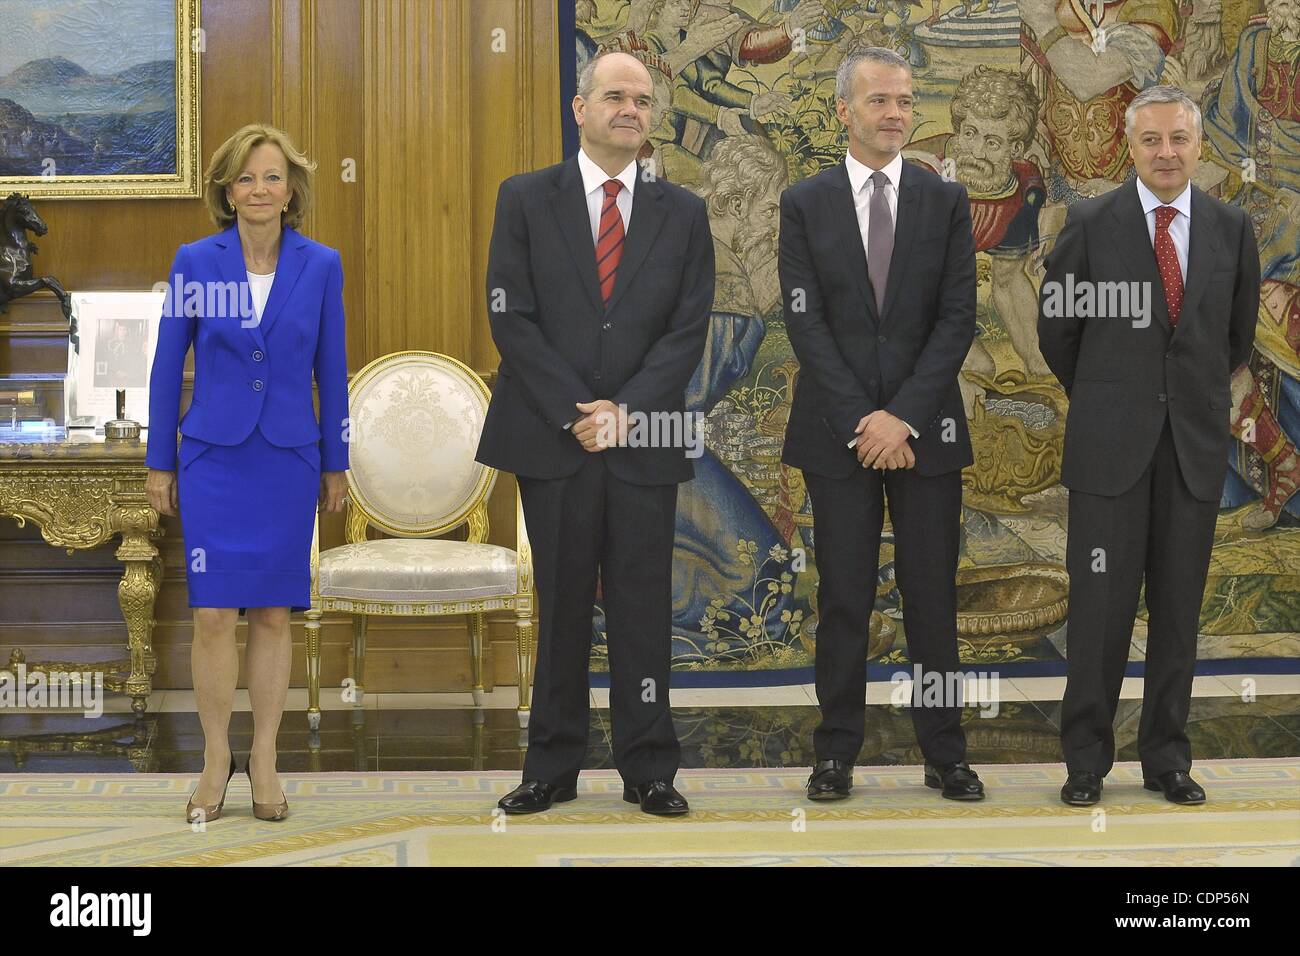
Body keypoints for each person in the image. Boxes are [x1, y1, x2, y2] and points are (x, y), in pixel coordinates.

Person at [476, 51, 714, 816]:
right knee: (563, 601)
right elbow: (510, 313)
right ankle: (551, 766)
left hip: (642, 436)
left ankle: (650, 769)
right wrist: (580, 410)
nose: (630, 109)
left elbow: (686, 331)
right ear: (578, 109)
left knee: (645, 604)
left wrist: (625, 412)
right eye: (615, 95)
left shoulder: (684, 213)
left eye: (643, 100)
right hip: (553, 436)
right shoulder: (524, 198)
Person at [1037, 86, 1260, 806]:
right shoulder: (1090, 222)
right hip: (1109, 450)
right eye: (1152, 140)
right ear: (1130, 148)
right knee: (1099, 612)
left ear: (1198, 145)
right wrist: (1109, 394)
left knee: (1177, 612)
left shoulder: (1231, 229)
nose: (1167, 153)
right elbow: (1058, 330)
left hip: (1192, 451)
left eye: (1179, 139)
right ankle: (1085, 763)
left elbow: (1235, 335)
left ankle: (1167, 759)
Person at [778, 47, 982, 802]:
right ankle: (836, 754)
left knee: (932, 597)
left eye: (904, 100)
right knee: (844, 598)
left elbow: (957, 318)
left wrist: (903, 417)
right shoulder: (804, 202)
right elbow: (806, 324)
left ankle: (946, 753)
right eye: (879, 101)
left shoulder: (944, 200)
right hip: (839, 433)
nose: (895, 112)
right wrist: (864, 418)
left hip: (925, 430)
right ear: (844, 110)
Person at [145, 124, 350, 823]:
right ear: (225, 192)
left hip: (289, 459)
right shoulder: (194, 262)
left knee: (270, 613)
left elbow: (332, 372)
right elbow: (167, 366)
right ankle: (213, 756)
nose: (258, 189)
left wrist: (336, 462)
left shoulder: (321, 265)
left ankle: (263, 756)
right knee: (211, 613)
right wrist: (158, 463)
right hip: (214, 460)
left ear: (291, 189)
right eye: (244, 178)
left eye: (271, 177)